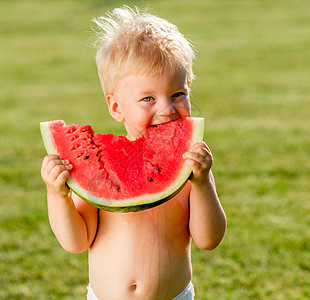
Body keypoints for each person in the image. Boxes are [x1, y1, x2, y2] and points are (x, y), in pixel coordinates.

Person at [40, 6, 226, 300]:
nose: (166, 109)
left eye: (178, 94)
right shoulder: (100, 167)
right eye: (148, 98)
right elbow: (77, 242)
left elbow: (208, 239)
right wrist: (57, 195)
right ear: (116, 107)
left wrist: (202, 184)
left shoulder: (191, 170)